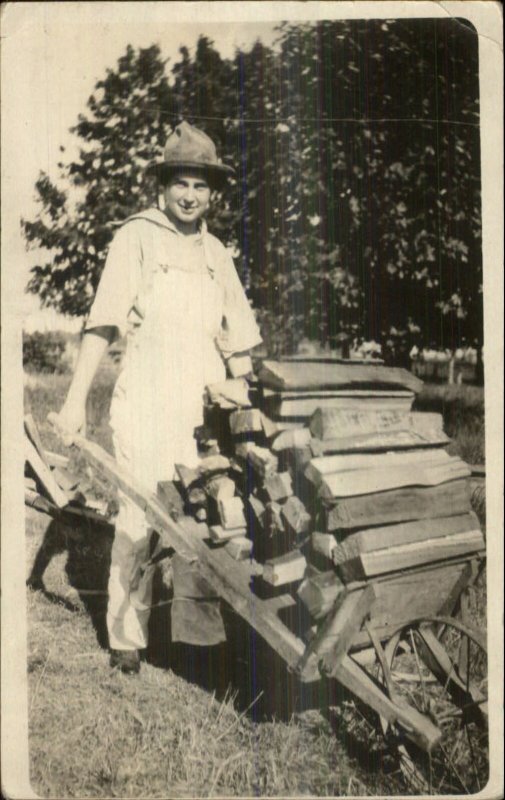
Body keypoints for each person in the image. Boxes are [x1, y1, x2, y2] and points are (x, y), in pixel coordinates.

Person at [53, 122, 262, 673]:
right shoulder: (136, 237)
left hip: (202, 412)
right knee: (139, 518)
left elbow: (238, 338)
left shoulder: (218, 253)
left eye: (201, 185)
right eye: (180, 183)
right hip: (145, 402)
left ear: (213, 192)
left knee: (208, 522)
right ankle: (127, 639)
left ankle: (199, 642)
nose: (190, 196)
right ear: (162, 187)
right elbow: (102, 324)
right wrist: (76, 400)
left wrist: (249, 393)